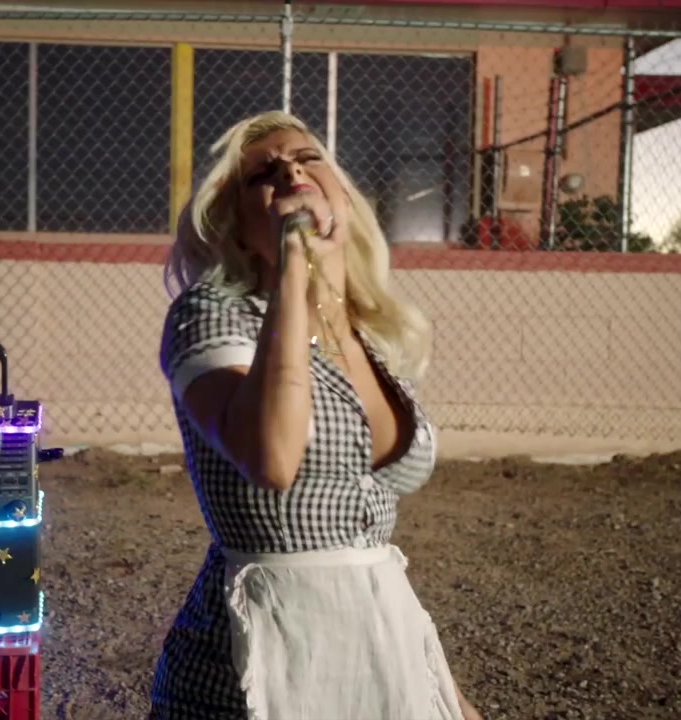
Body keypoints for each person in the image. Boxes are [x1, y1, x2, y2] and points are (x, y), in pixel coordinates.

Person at [148, 110, 483, 720]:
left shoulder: (367, 334)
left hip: (383, 657)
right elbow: (272, 458)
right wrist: (294, 270)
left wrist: (448, 696)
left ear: (344, 200)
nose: (291, 172)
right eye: (263, 175)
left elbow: (374, 548)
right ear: (237, 229)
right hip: (259, 664)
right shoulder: (211, 314)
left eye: (308, 159)